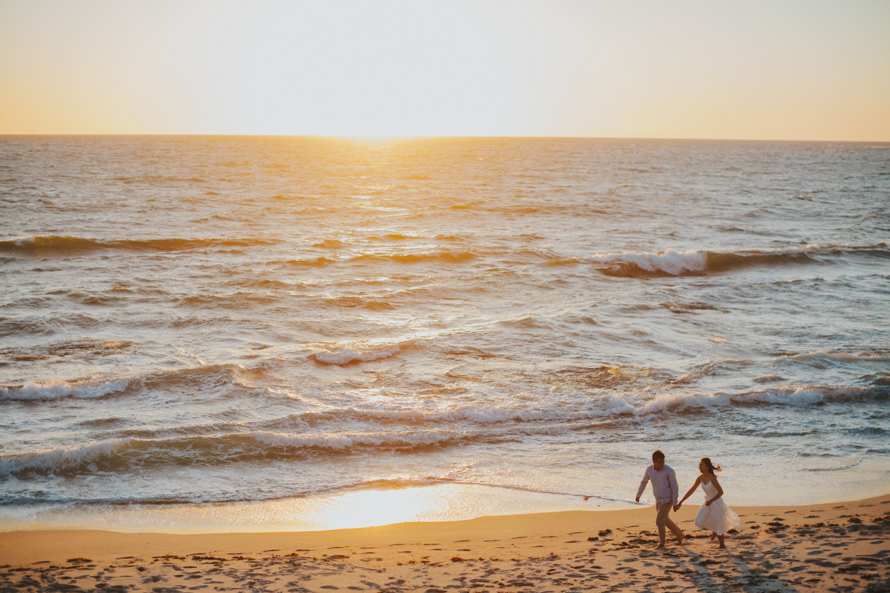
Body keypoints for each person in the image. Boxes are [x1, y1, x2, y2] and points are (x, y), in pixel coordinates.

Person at [677, 457, 741, 549]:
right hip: (707, 502)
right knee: (699, 521)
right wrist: (682, 501)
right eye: (699, 465)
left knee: (719, 523)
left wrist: (711, 500)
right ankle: (714, 530)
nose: (700, 467)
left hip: (716, 502)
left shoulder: (712, 477)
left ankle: (722, 544)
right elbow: (692, 490)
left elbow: (721, 492)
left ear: (707, 467)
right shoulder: (700, 478)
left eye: (702, 465)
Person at [635, 450, 684, 548]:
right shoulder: (649, 470)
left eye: (663, 461)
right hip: (658, 500)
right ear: (654, 462)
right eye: (659, 462)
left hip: (668, 500)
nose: (662, 464)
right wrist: (638, 495)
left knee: (659, 521)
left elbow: (674, 487)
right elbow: (644, 482)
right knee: (665, 520)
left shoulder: (668, 471)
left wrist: (675, 503)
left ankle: (662, 543)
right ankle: (679, 534)